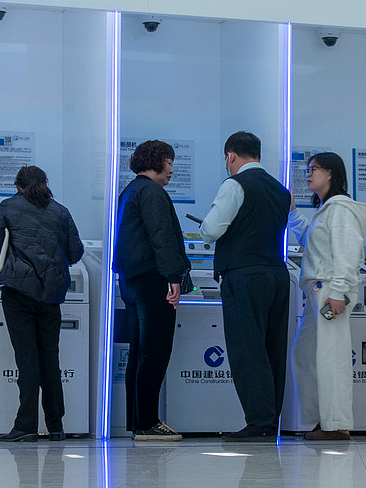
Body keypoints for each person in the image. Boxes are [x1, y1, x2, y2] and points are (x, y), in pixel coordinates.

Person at [202, 131, 293, 442]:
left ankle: (257, 422)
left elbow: (213, 228)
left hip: (244, 275)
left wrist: (204, 229)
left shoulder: (235, 184)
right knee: (272, 349)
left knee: (246, 347)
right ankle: (270, 419)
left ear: (231, 156)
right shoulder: (281, 191)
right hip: (278, 275)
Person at [0, 165, 85, 441]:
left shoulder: (8, 206)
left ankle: (25, 426)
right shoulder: (61, 212)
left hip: (18, 292)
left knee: (27, 359)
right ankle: (56, 426)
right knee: (50, 359)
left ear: (18, 186)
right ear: (45, 184)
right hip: (51, 295)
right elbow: (76, 251)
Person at [114, 140, 192, 442]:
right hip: (152, 279)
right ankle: (148, 422)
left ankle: (137, 420)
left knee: (139, 353)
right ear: (155, 161)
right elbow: (162, 237)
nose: (172, 170)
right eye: (169, 162)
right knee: (156, 351)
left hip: (130, 280)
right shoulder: (153, 192)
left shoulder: (130, 191)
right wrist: (174, 277)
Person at [291, 152, 366, 442]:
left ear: (331, 174)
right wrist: (293, 215)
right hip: (318, 291)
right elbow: (312, 243)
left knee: (331, 358)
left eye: (313, 170)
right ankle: (321, 418)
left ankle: (336, 424)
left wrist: (338, 293)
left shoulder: (341, 209)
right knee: (305, 354)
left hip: (330, 293)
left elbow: (349, 255)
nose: (308, 175)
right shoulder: (326, 210)